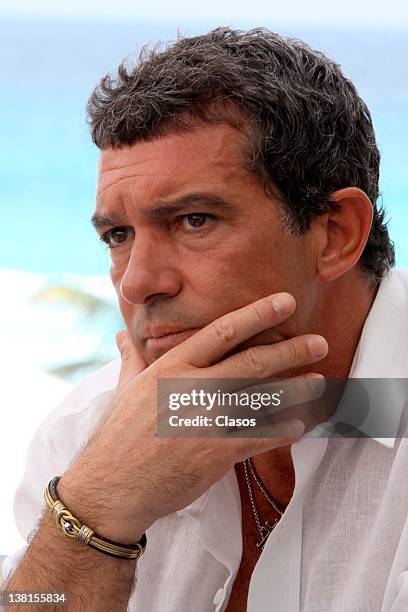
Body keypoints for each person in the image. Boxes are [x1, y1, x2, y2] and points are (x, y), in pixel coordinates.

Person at [2, 26, 408, 612]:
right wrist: (93, 513)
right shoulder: (91, 434)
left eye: (194, 220)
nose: (137, 281)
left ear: (335, 234)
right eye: (118, 235)